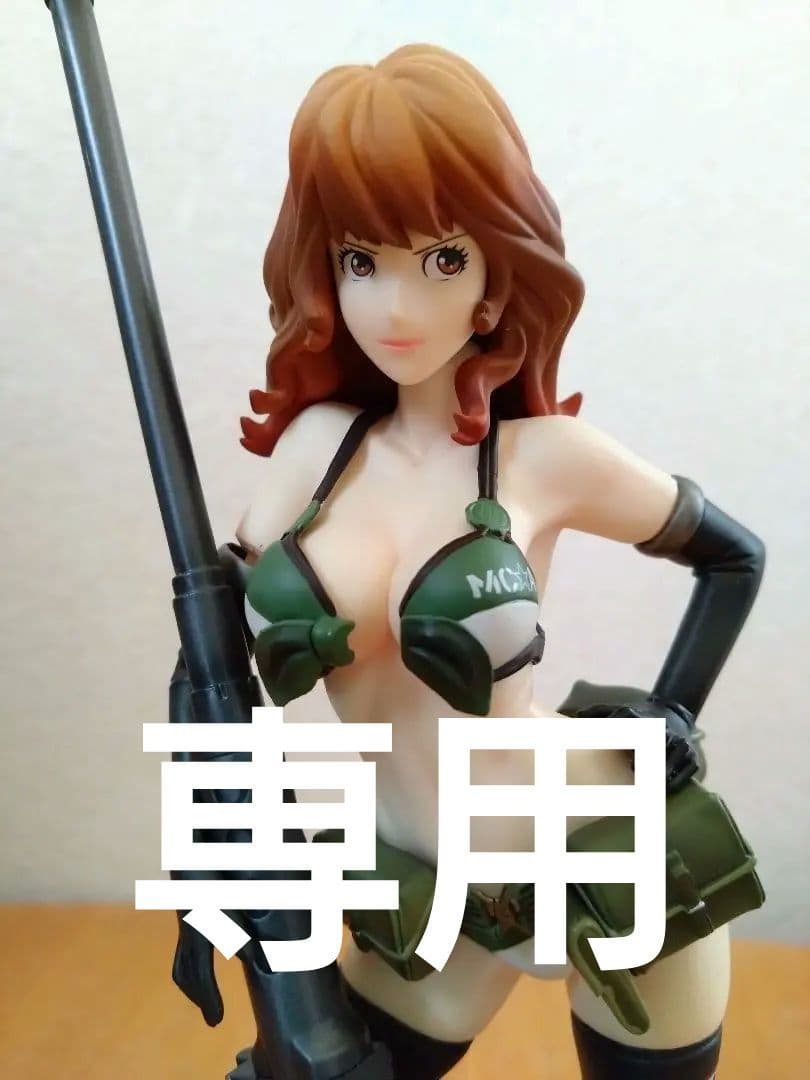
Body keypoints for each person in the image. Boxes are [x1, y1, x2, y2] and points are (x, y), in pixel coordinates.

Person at [233, 44, 764, 1080]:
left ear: (494, 269)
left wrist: (675, 711)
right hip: (429, 893)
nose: (395, 307)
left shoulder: (545, 460)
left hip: (608, 855)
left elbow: (733, 558)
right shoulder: (313, 454)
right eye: (360, 260)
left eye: (440, 259)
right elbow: (216, 626)